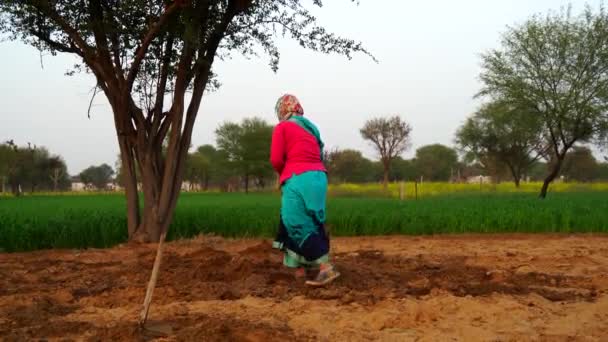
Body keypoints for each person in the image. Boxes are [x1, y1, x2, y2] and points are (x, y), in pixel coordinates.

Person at [270, 94, 340, 286]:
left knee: (295, 222)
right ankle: (299, 270)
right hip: (319, 177)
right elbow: (318, 152)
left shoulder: (282, 127)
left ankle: (325, 268)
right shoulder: (312, 128)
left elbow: (276, 159)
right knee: (308, 220)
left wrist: (283, 174)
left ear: (282, 110)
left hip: (298, 177)